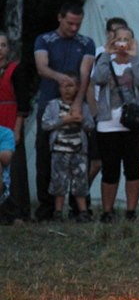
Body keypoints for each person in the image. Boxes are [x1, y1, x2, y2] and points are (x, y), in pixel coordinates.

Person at [33, 3, 96, 220]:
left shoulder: (86, 43)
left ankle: (79, 207)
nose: (74, 28)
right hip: (49, 104)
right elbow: (41, 67)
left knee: (80, 157)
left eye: (78, 24)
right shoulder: (44, 40)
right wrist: (60, 78)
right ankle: (47, 206)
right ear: (59, 18)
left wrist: (79, 102)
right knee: (46, 157)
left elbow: (85, 72)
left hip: (76, 105)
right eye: (70, 23)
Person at [92, 27, 139, 222]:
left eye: (127, 39)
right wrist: (107, 53)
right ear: (112, 41)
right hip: (108, 124)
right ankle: (107, 211)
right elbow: (97, 79)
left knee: (134, 168)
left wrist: (134, 56)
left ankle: (131, 211)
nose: (122, 44)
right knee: (110, 168)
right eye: (118, 39)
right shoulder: (104, 60)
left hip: (136, 124)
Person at [40, 74, 94, 222]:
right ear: (59, 88)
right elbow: (45, 124)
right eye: (64, 86)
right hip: (59, 150)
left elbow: (90, 126)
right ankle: (58, 212)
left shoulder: (83, 106)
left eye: (70, 85)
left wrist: (82, 120)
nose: (67, 90)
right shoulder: (53, 105)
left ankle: (82, 212)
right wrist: (65, 120)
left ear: (77, 88)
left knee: (80, 183)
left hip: (79, 151)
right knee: (59, 183)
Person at [0, 31, 31, 221]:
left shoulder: (15, 70)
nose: (0, 50)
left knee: (15, 168)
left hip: (11, 121)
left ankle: (18, 212)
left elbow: (23, 103)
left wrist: (17, 129)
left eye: (3, 45)